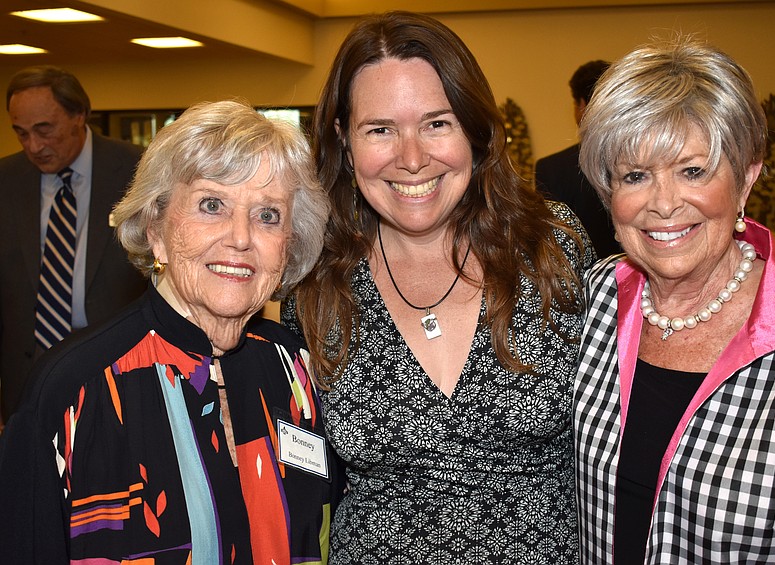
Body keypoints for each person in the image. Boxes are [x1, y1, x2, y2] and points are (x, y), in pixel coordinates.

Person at [283, 11, 594, 564]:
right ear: (344, 142)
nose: (411, 158)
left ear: (475, 129)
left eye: (436, 123)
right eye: (380, 129)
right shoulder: (315, 284)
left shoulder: (553, 253)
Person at [0, 99, 340, 563]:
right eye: (211, 204)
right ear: (155, 226)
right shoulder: (74, 388)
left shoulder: (294, 368)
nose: (241, 238)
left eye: (267, 215)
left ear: (289, 244)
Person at [574, 37, 775, 563]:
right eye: (635, 176)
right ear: (609, 195)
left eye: (693, 170)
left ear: (746, 178)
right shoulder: (595, 302)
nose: (663, 202)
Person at [0, 65, 146, 427]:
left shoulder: (137, 170)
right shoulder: (6, 180)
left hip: (117, 364)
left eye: (44, 130)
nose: (34, 146)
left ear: (80, 115)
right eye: (21, 133)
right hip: (27, 374)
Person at [535, 59, 621, 259]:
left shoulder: (552, 168)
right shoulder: (637, 161)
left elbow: (550, 242)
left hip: (579, 283)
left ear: (581, 105)